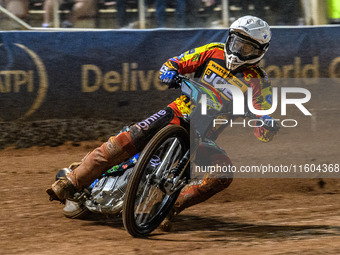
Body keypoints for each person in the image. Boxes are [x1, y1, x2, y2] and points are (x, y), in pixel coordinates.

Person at [47, 15, 278, 230]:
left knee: (222, 174)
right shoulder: (212, 51)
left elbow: (263, 124)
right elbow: (175, 62)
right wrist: (171, 72)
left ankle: (171, 207)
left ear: (260, 51)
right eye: (237, 42)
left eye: (248, 47)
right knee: (127, 139)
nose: (239, 50)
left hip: (203, 136)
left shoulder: (259, 80)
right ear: (230, 38)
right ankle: (71, 182)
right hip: (177, 113)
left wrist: (265, 124)